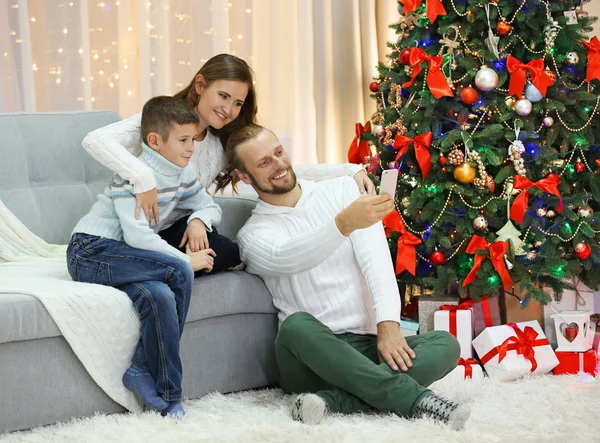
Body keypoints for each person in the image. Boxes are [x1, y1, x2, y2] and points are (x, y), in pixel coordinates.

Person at [227, 124, 471, 430]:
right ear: (246, 177)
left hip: (367, 344)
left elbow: (375, 258)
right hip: (309, 357)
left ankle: (332, 402)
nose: (278, 164)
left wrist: (388, 324)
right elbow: (291, 255)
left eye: (279, 152)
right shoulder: (253, 235)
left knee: (447, 345)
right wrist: (343, 223)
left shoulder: (341, 191)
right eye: (263, 162)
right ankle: (414, 400)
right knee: (295, 326)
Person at [81, 54, 375, 253]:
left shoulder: (222, 144)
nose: (229, 109)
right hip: (129, 225)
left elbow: (276, 167)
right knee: (218, 252)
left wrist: (349, 170)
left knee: (229, 252)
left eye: (237, 103)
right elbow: (95, 140)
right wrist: (143, 178)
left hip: (172, 230)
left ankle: (175, 259)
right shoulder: (163, 118)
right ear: (200, 85)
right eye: (223, 96)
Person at [67, 96, 225, 418]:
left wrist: (198, 220)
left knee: (161, 296)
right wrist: (183, 261)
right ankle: (173, 396)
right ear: (155, 141)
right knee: (179, 273)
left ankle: (139, 370)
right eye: (183, 140)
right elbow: (137, 234)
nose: (191, 148)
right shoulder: (134, 174)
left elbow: (209, 205)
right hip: (91, 250)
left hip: (124, 256)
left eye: (192, 140)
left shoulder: (183, 172)